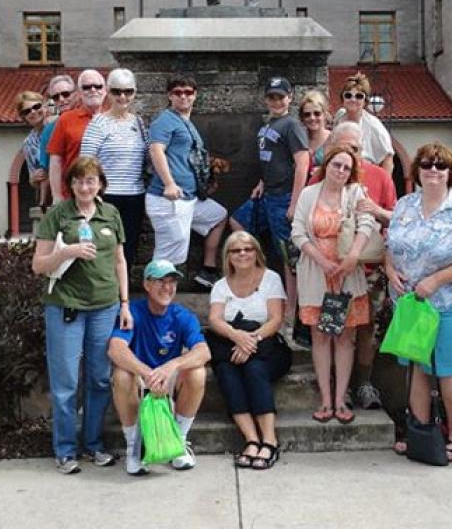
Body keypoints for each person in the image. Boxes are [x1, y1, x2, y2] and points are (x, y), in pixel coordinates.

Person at [385, 142, 452, 464]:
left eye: (440, 165)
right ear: (416, 170)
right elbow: (390, 246)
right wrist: (389, 270)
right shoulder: (404, 206)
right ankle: (421, 431)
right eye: (427, 164)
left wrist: (436, 280)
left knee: (447, 367)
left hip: (445, 303)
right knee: (417, 367)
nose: (433, 170)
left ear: (450, 172)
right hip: (409, 304)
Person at [32, 157, 130, 475]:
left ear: (100, 184)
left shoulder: (111, 214)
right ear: (71, 184)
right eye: (79, 181)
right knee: (66, 384)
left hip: (105, 307)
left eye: (91, 181)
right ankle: (65, 449)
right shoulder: (58, 215)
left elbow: (119, 262)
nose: (85, 186)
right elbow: (38, 265)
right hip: (66, 307)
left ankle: (93, 444)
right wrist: (66, 252)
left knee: (100, 379)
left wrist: (125, 303)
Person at [291, 144, 376, 424]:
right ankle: (325, 399)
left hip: (347, 275)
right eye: (336, 165)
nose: (340, 171)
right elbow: (298, 233)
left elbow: (366, 224)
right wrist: (322, 261)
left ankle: (341, 399)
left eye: (346, 167)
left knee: (344, 337)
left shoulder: (355, 193)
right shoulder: (308, 194)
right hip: (316, 274)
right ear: (326, 165)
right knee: (320, 336)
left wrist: (352, 257)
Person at [109, 259, 211, 476]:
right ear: (147, 285)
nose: (167, 287)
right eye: (160, 281)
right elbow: (115, 349)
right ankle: (134, 448)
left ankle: (178, 442)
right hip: (140, 375)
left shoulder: (182, 316)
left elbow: (204, 352)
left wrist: (172, 365)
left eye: (172, 282)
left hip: (168, 378)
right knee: (121, 375)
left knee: (197, 372)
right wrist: (148, 373)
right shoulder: (133, 312)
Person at [324, 121, 399, 412]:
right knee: (333, 326)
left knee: (367, 327)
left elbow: (396, 218)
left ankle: (364, 383)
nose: (351, 156)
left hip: (369, 270)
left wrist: (376, 211)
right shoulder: (320, 179)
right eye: (345, 148)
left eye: (356, 149)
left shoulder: (379, 177)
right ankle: (334, 389)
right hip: (332, 270)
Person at [207, 230, 291, 470]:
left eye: (247, 249)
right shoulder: (221, 286)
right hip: (232, 347)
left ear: (256, 252)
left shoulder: (271, 278)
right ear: (228, 256)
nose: (242, 254)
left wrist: (250, 341)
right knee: (226, 371)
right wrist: (237, 336)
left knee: (254, 369)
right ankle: (251, 440)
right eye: (236, 250)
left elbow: (275, 320)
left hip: (267, 347)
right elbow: (215, 319)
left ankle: (270, 440)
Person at [218, 76, 308, 295]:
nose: (276, 102)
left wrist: (295, 203)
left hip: (283, 197)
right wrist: (261, 183)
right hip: (266, 193)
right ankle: (261, 276)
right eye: (271, 97)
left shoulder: (292, 125)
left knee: (288, 254)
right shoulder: (269, 124)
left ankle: (290, 308)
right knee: (238, 220)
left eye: (281, 97)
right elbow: (273, 159)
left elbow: (302, 163)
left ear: (290, 98)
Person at [144, 74, 228, 274]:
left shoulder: (185, 122)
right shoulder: (164, 121)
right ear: (169, 96)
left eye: (188, 92)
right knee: (167, 259)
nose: (183, 96)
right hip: (170, 199)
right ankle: (155, 303)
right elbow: (156, 150)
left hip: (190, 199)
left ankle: (207, 269)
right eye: (177, 93)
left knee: (218, 216)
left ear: (195, 95)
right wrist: (169, 183)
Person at [80, 68, 147, 269]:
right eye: (117, 91)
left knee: (128, 250)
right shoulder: (98, 124)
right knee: (104, 250)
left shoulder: (138, 123)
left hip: (134, 196)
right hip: (106, 197)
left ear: (135, 92)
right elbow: (85, 164)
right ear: (108, 92)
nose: (123, 97)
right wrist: (92, 196)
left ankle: (123, 297)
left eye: (128, 91)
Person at [48, 69, 107, 200]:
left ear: (105, 90)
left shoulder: (112, 118)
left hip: (110, 194)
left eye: (98, 86)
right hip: (75, 194)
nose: (93, 90)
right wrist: (57, 196)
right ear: (79, 93)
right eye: (86, 87)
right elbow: (55, 161)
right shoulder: (66, 120)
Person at [331, 72, 395, 174]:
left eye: (359, 96)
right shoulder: (339, 117)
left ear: (365, 101)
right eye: (348, 95)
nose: (353, 99)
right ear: (342, 99)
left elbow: (388, 158)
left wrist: (383, 185)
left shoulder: (374, 125)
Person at [36, 74, 79, 207]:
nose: (61, 99)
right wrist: (43, 203)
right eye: (56, 97)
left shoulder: (92, 119)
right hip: (66, 199)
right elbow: (46, 170)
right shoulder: (49, 130)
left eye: (66, 94)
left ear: (76, 94)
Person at [17, 90, 49, 212]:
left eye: (36, 107)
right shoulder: (29, 143)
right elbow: (32, 178)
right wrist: (34, 178)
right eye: (27, 111)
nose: (33, 112)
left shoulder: (58, 125)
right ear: (23, 117)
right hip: (48, 193)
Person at [298, 89, 332, 181]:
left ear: (325, 114)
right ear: (302, 117)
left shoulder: (334, 140)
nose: (312, 118)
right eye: (307, 114)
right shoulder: (298, 140)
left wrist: (324, 171)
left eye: (317, 113)